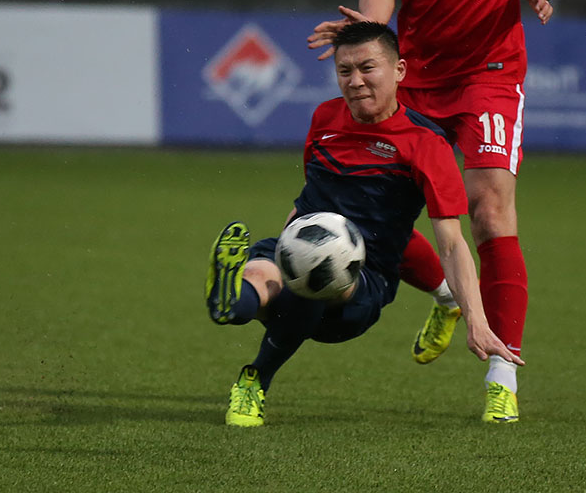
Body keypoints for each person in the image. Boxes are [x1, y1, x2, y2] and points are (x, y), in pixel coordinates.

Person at [307, 0, 573, 423]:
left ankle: (503, 373)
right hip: (415, 73)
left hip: (489, 70)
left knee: (489, 210)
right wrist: (367, 33)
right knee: (379, 213)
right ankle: (449, 296)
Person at [205, 22, 521, 428]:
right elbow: (310, 196)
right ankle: (229, 302)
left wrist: (476, 319)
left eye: (367, 68)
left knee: (316, 277)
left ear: (399, 71)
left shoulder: (427, 144)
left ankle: (255, 379)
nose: (355, 81)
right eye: (345, 71)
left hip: (363, 281)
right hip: (301, 243)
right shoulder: (324, 117)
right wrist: (287, 242)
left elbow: (452, 244)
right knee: (257, 281)